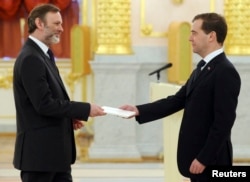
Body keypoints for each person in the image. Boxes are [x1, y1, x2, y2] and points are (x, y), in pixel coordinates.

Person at [120, 13, 241, 182]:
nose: (190, 38)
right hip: (196, 159)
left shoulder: (225, 71)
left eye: (194, 33)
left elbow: (223, 123)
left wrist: (203, 158)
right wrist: (138, 110)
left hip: (211, 162)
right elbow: (177, 101)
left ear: (211, 36)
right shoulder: (202, 67)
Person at [13, 4, 105, 182]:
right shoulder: (31, 57)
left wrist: (68, 117)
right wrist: (85, 109)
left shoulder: (43, 54)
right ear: (39, 23)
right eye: (56, 23)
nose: (62, 29)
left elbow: (51, 100)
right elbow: (44, 104)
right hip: (40, 157)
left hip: (54, 156)